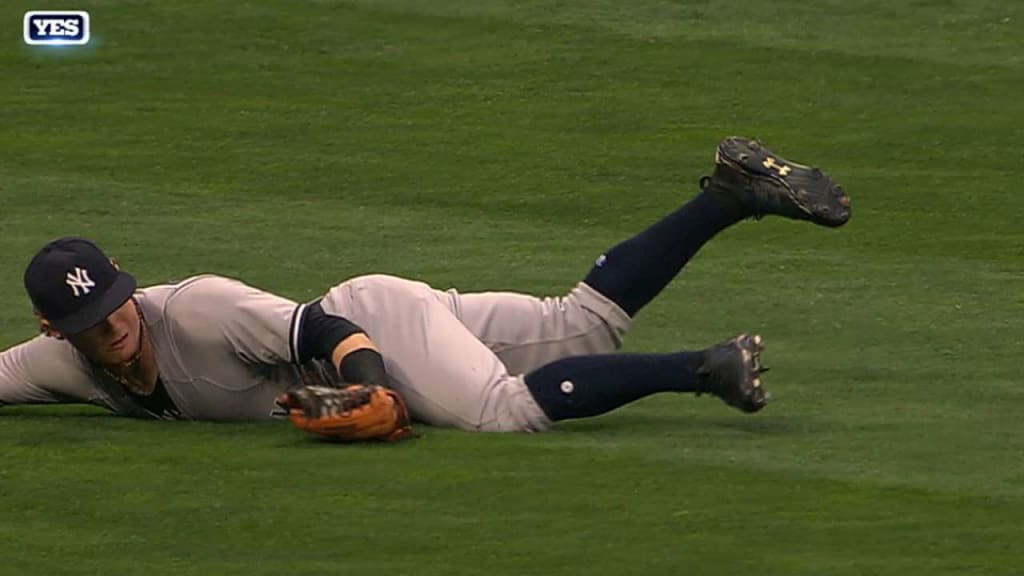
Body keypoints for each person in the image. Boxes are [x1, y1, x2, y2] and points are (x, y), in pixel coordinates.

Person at [0, 137, 850, 432]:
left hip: (372, 324)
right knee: (583, 324)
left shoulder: (200, 309)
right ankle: (733, 193)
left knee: (503, 412)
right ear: (52, 327)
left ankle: (705, 367)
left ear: (127, 289)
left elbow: (325, 335)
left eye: (114, 306)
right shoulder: (61, 367)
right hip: (388, 319)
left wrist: (365, 393)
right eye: (89, 321)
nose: (113, 327)